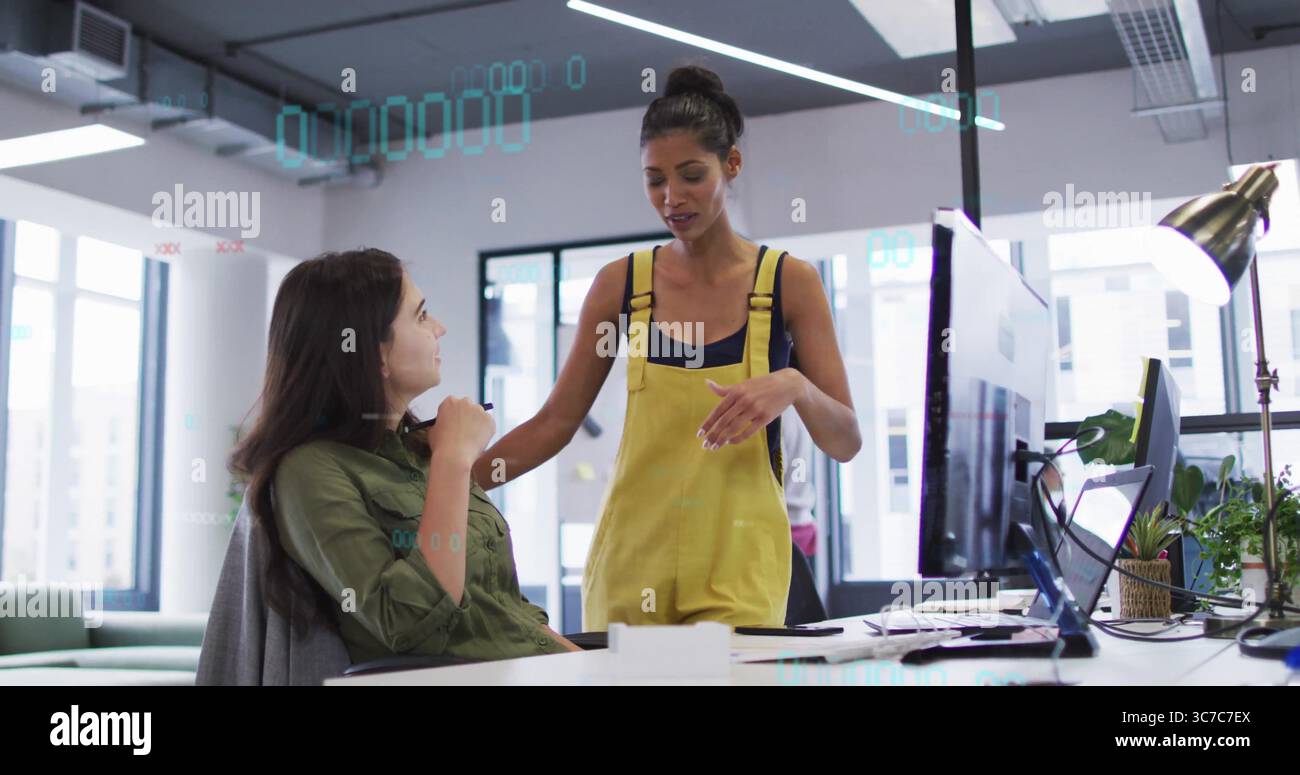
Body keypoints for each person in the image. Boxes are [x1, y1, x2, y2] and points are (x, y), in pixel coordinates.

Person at [472, 65, 860, 630]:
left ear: (732, 165)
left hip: (742, 567)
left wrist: (794, 385)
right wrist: (451, 488)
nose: (672, 198)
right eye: (655, 180)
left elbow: (846, 441)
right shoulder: (621, 285)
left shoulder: (787, 283)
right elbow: (555, 422)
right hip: (632, 561)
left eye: (691, 175)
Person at [229, 248, 581, 664]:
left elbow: (506, 612)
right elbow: (405, 621)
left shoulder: (420, 450)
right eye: (421, 316)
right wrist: (453, 460)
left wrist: (591, 666)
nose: (440, 328)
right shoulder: (311, 470)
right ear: (373, 351)